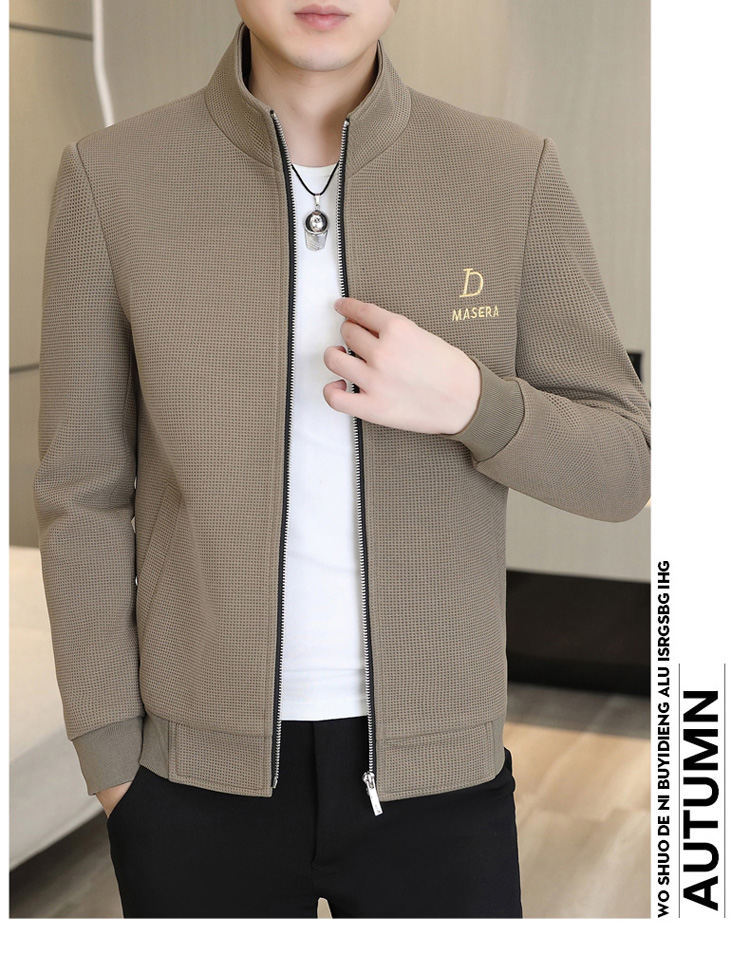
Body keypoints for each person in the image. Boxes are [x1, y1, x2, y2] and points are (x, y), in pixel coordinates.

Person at [33, 0, 651, 919]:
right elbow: (80, 493)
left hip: (440, 778)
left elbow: (625, 466)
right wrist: (111, 755)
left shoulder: (509, 172)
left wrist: (470, 401)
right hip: (186, 781)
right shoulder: (110, 178)